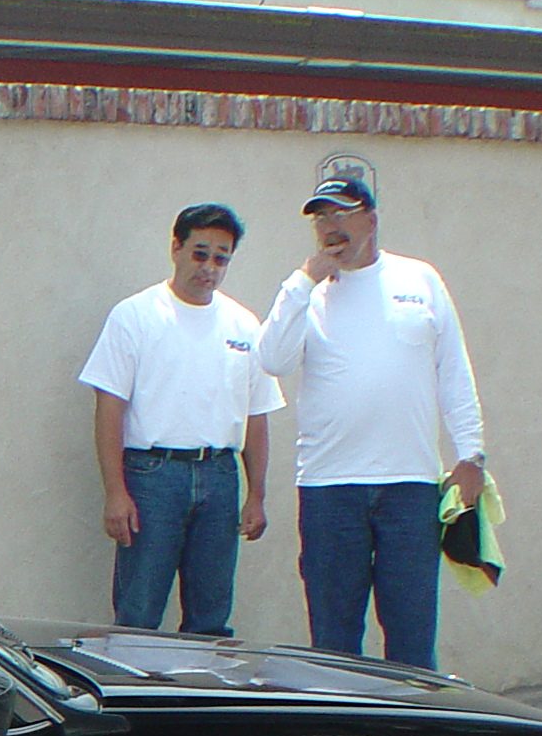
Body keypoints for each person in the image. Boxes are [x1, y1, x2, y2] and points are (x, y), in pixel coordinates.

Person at [255, 175, 485, 672]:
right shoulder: (309, 294)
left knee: (411, 639)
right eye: (321, 217)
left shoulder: (420, 279)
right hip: (329, 490)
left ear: (371, 219)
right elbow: (272, 359)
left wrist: (471, 456)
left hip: (410, 488)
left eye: (341, 214)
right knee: (334, 644)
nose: (330, 227)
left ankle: (413, 722)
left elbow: (454, 371)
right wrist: (303, 282)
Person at [78, 202, 282, 637]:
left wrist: (257, 495)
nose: (209, 268)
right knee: (139, 610)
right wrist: (115, 492)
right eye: (199, 253)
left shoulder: (244, 325)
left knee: (211, 616)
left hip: (220, 477)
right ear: (176, 248)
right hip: (152, 478)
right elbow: (109, 408)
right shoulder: (135, 316)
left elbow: (257, 416)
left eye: (221, 258)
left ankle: (201, 682)